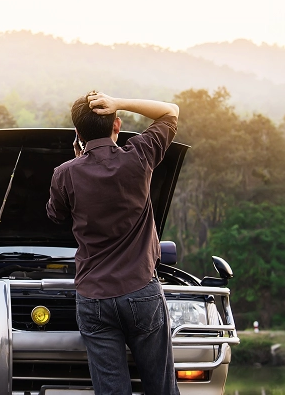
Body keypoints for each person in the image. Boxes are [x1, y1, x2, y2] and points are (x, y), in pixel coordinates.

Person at [46, 91, 181, 395]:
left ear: (77, 134)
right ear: (117, 124)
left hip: (93, 298)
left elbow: (55, 215)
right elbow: (170, 111)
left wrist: (78, 164)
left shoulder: (64, 173)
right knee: (161, 388)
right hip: (141, 292)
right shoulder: (139, 156)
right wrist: (119, 102)